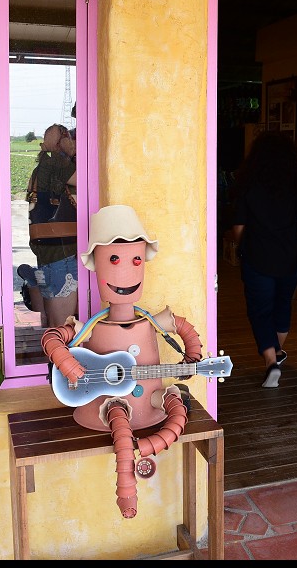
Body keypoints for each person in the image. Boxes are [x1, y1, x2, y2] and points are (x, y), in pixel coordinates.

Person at [42, 204, 203, 518]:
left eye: (135, 259)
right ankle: (129, 478)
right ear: (97, 265)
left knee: (171, 415)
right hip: (102, 407)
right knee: (117, 415)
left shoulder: (151, 322)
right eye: (113, 259)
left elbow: (185, 331)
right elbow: (52, 339)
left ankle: (133, 453)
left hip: (151, 409)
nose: (126, 270)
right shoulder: (90, 328)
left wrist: (193, 359)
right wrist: (69, 364)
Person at [231, 131, 297, 388]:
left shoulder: (247, 183)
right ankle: (277, 353)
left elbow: (239, 226)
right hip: (289, 256)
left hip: (257, 255)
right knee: (283, 304)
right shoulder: (294, 183)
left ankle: (271, 361)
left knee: (260, 311)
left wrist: (240, 247)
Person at [18, 123, 78, 327]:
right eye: (71, 138)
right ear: (63, 142)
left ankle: (36, 281)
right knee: (63, 327)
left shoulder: (41, 165)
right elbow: (88, 181)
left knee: (52, 321)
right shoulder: (57, 162)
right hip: (62, 249)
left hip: (46, 248)